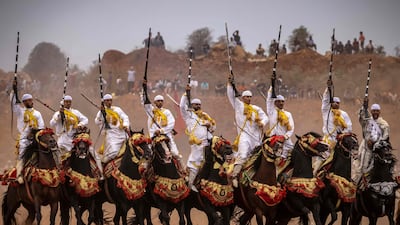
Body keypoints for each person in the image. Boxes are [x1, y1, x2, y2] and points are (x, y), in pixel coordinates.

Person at [227, 74, 269, 186]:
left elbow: (266, 117)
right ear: (242, 98)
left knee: (259, 156)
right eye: (246, 97)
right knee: (243, 154)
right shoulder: (238, 106)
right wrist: (230, 84)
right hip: (244, 136)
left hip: (255, 137)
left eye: (250, 97)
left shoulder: (256, 109)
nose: (249, 98)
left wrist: (262, 122)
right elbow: (231, 96)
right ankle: (235, 175)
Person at [180, 85, 216, 191]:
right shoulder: (188, 115)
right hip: (196, 142)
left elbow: (213, 126)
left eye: (199, 104)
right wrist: (186, 94)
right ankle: (190, 184)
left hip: (208, 142)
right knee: (195, 161)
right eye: (196, 104)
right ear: (192, 104)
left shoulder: (204, 115)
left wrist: (209, 125)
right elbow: (182, 106)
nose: (198, 106)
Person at [142, 86, 185, 173]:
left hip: (166, 136)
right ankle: (144, 173)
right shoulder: (151, 111)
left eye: (161, 101)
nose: (160, 102)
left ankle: (183, 171)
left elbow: (171, 124)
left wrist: (161, 131)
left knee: (175, 153)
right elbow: (145, 103)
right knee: (148, 155)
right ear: (154, 102)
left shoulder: (167, 112)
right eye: (158, 101)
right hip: (153, 137)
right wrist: (144, 88)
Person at [315, 79, 352, 175]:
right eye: (334, 102)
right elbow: (325, 100)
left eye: (338, 103)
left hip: (340, 142)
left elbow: (349, 127)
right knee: (319, 162)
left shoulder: (344, 114)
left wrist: (343, 135)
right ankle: (314, 176)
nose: (336, 104)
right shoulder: (326, 111)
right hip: (327, 142)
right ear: (331, 103)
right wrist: (328, 88)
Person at [11, 84, 45, 183]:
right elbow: (13, 105)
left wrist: (36, 130)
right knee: (21, 154)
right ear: (24, 102)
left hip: (36, 138)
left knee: (49, 149)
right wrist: (14, 91)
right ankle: (19, 174)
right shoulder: (20, 111)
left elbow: (41, 126)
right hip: (24, 138)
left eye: (31, 100)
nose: (30, 102)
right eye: (28, 100)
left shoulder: (37, 113)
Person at [352, 99, 390, 184]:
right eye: (373, 111)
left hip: (379, 150)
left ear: (379, 112)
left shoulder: (384, 124)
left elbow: (385, 137)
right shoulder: (367, 121)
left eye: (377, 111)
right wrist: (365, 107)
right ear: (371, 111)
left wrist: (376, 143)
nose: (375, 112)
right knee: (362, 168)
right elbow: (362, 117)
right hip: (366, 150)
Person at [95, 94, 130, 164]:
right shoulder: (101, 112)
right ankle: (103, 163)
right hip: (111, 135)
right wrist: (102, 113)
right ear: (104, 102)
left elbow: (125, 117)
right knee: (114, 153)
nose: (109, 102)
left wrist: (125, 125)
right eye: (107, 100)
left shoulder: (117, 109)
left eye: (110, 100)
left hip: (121, 133)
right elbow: (97, 121)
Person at [266, 86, 294, 163]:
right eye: (278, 101)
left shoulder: (288, 114)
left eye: (282, 101)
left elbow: (291, 129)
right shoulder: (271, 112)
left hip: (285, 140)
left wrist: (285, 137)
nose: (281, 103)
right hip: (273, 140)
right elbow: (269, 100)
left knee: (296, 155)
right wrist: (272, 85)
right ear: (275, 103)